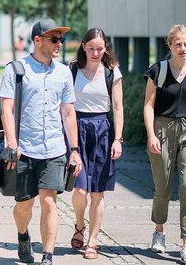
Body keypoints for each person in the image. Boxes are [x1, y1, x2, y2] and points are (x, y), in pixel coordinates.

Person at [0, 18, 82, 265]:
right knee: (24, 205)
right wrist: (12, 144)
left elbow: (68, 112)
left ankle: (48, 255)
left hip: (54, 149)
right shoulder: (15, 69)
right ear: (37, 40)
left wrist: (74, 149)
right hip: (24, 150)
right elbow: (7, 107)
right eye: (53, 39)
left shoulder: (64, 73)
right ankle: (23, 235)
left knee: (49, 202)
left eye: (60, 40)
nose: (59, 44)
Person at [143, 24, 186, 265]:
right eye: (178, 44)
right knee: (162, 186)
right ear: (169, 45)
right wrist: (151, 134)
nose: (183, 48)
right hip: (163, 128)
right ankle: (159, 232)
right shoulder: (158, 70)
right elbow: (148, 106)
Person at [68, 28, 124, 260]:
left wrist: (118, 139)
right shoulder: (72, 70)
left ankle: (92, 240)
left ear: (105, 48)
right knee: (80, 189)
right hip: (77, 130)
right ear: (83, 46)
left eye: (100, 49)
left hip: (103, 130)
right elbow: (65, 106)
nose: (95, 52)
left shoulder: (112, 72)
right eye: (91, 48)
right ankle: (79, 224)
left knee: (97, 193)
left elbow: (119, 108)